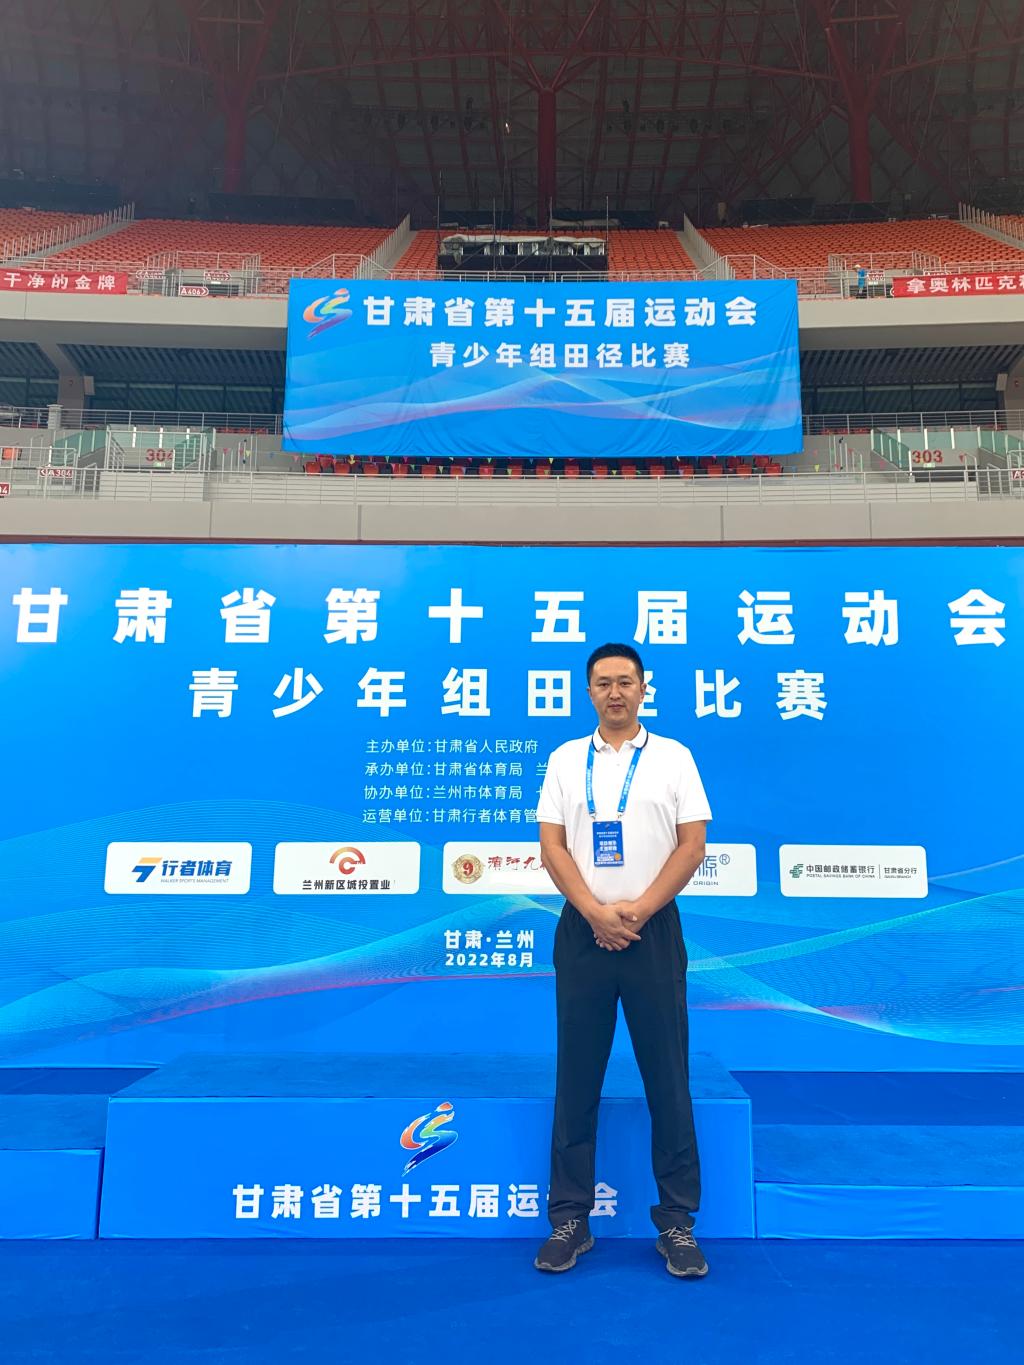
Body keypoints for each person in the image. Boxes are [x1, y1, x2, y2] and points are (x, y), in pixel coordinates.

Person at [533, 642, 712, 1279]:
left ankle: (677, 1223)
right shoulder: (565, 760)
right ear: (589, 692)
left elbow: (692, 845)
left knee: (668, 1076)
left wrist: (636, 911)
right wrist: (596, 913)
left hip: (652, 931)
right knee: (577, 1078)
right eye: (603, 683)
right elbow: (553, 848)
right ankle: (569, 1218)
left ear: (643, 689)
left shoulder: (674, 757)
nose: (615, 692)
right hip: (584, 932)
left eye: (625, 682)